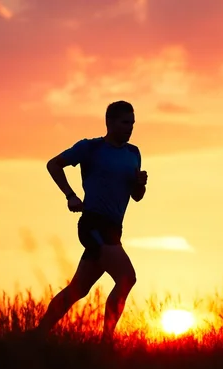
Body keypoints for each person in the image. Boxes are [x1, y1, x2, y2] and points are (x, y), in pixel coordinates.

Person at [31, 100, 147, 344]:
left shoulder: (133, 153)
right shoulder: (91, 148)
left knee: (77, 290)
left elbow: (136, 197)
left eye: (133, 123)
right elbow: (53, 164)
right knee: (127, 278)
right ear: (110, 122)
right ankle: (107, 343)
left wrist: (140, 184)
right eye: (125, 123)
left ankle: (36, 336)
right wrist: (70, 195)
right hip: (94, 224)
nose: (130, 128)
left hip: (114, 229)